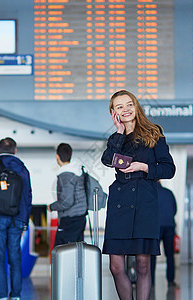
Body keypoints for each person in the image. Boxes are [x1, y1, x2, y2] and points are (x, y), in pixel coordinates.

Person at [101, 90, 176, 300]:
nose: (125, 110)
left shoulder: (154, 133)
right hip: (119, 203)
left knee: (143, 265)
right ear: (113, 112)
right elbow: (107, 160)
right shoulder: (116, 138)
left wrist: (144, 167)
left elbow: (169, 169)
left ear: (136, 106)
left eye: (129, 104)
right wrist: (119, 132)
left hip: (145, 201)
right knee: (116, 266)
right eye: (119, 107)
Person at [0, 137, 32, 300]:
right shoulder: (22, 169)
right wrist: (24, 219)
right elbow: (27, 196)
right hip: (16, 218)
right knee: (15, 257)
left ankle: (1, 296)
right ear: (15, 151)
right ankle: (15, 295)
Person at [47, 143, 87, 247]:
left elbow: (67, 201)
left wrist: (52, 207)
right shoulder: (77, 171)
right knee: (76, 251)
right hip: (79, 217)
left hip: (70, 219)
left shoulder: (66, 174)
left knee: (62, 251)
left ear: (57, 157)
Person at [150, 181, 177, 287]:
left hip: (155, 227)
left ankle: (151, 280)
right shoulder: (169, 192)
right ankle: (171, 280)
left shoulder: (150, 193)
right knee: (170, 255)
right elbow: (174, 209)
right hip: (169, 226)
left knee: (152, 255)